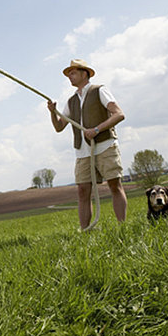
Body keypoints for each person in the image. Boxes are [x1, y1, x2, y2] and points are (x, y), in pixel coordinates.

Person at [47, 59, 128, 227]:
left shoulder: (100, 90)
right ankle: (84, 231)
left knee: (114, 185)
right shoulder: (71, 101)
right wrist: (52, 113)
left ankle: (123, 227)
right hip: (82, 151)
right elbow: (59, 127)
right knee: (82, 191)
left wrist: (97, 130)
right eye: (69, 73)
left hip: (105, 145)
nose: (70, 76)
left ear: (85, 73)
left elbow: (119, 114)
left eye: (73, 72)